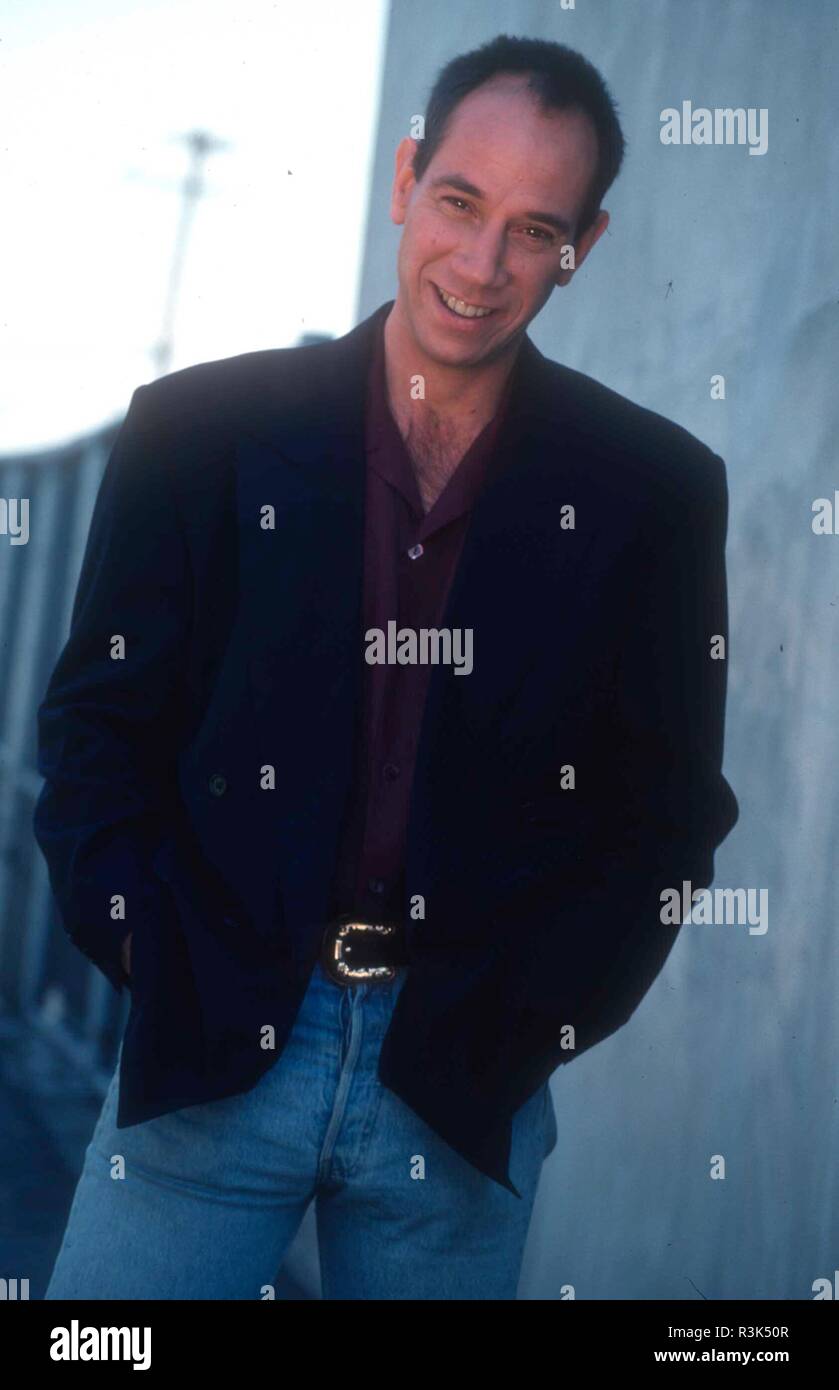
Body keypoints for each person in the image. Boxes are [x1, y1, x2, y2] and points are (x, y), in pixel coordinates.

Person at [34, 34, 738, 1301]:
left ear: (585, 243)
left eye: (535, 228)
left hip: (459, 1085)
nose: (480, 264)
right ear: (405, 175)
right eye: (461, 201)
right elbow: (94, 728)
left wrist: (530, 1021)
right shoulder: (197, 434)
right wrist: (152, 954)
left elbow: (667, 813)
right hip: (210, 1047)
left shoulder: (654, 494)